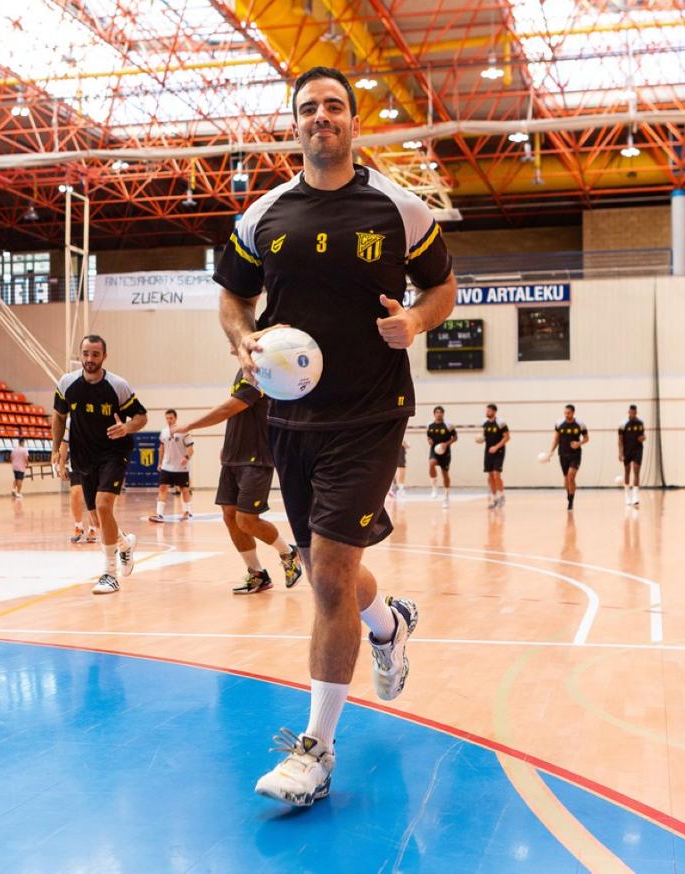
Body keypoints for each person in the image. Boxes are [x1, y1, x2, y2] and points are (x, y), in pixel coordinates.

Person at [215, 65, 456, 807]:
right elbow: (232, 296)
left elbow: (443, 287)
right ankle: (389, 624)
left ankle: (315, 752)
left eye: (334, 106)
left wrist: (415, 320)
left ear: (353, 121)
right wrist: (241, 339)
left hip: (371, 413)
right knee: (334, 573)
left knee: (326, 575)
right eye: (308, 108)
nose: (321, 116)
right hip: (290, 420)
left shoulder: (399, 209)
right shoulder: (264, 216)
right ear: (295, 124)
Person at [174, 368, 303, 594]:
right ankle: (257, 574)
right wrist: (229, 444)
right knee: (230, 516)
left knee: (247, 520)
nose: (231, 348)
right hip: (233, 456)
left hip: (256, 457)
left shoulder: (261, 369)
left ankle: (288, 553)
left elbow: (229, 408)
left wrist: (190, 425)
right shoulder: (242, 371)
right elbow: (240, 415)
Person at [51, 335, 148, 595]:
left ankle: (109, 574)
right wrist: (56, 449)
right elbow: (59, 416)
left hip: (114, 453)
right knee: (96, 519)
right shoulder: (67, 383)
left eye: (95, 354)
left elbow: (141, 416)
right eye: (85, 353)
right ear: (80, 355)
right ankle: (125, 544)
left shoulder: (117, 386)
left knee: (104, 505)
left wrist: (127, 427)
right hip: (84, 457)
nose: (89, 359)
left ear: (104, 356)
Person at [57, 418, 99, 544]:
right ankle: (78, 527)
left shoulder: (97, 416)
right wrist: (61, 465)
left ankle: (92, 529)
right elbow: (64, 444)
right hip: (77, 462)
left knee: (93, 497)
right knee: (75, 493)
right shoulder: (71, 420)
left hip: (96, 462)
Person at [149, 410, 194, 522]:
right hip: (167, 466)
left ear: (175, 418)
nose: (169, 420)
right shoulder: (163, 432)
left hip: (181, 467)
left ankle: (188, 512)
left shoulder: (184, 431)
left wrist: (186, 457)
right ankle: (160, 514)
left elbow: (190, 448)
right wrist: (160, 463)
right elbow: (161, 448)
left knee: (184, 489)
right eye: (167, 418)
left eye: (171, 418)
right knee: (162, 487)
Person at [543, 404, 589, 510]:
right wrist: (550, 452)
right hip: (563, 454)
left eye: (568, 413)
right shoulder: (559, 424)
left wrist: (579, 443)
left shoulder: (580, 424)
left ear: (573, 413)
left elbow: (586, 438)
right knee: (566, 479)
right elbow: (556, 439)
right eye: (565, 413)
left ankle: (571, 501)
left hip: (575, 455)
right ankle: (569, 494)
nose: (566, 415)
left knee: (571, 476)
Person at [479, 403, 510, 508]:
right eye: (486, 410)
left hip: (499, 451)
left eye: (489, 411)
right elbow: (485, 436)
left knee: (496, 475)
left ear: (494, 411)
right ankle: (494, 498)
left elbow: (507, 437)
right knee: (490, 476)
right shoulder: (485, 423)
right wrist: (481, 439)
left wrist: (496, 447)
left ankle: (502, 496)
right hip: (488, 452)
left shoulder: (501, 423)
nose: (487, 412)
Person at [426, 406, 456, 508]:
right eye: (437, 412)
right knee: (431, 463)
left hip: (445, 452)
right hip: (434, 450)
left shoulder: (448, 426)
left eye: (440, 412)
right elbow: (428, 436)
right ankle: (434, 487)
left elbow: (455, 437)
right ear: (434, 414)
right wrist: (429, 440)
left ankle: (446, 496)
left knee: (445, 474)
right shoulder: (430, 425)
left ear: (443, 414)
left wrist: (446, 444)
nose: (439, 414)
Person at [618, 405, 645, 507]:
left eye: (634, 412)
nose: (632, 414)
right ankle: (627, 496)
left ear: (636, 413)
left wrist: (643, 438)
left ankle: (635, 497)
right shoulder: (622, 424)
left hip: (638, 449)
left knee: (636, 471)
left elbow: (643, 435)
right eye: (631, 412)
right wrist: (620, 452)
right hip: (627, 450)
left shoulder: (640, 423)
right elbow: (620, 439)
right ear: (628, 412)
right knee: (627, 471)